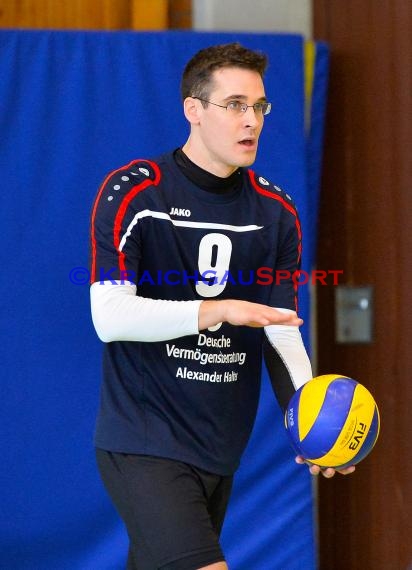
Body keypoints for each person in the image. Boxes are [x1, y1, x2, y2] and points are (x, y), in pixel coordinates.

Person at [89, 42, 354, 570]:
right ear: (194, 109)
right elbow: (109, 317)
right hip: (145, 439)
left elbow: (280, 330)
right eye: (235, 104)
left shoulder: (276, 211)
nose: (251, 120)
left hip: (219, 445)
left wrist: (313, 421)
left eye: (259, 106)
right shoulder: (136, 193)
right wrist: (218, 309)